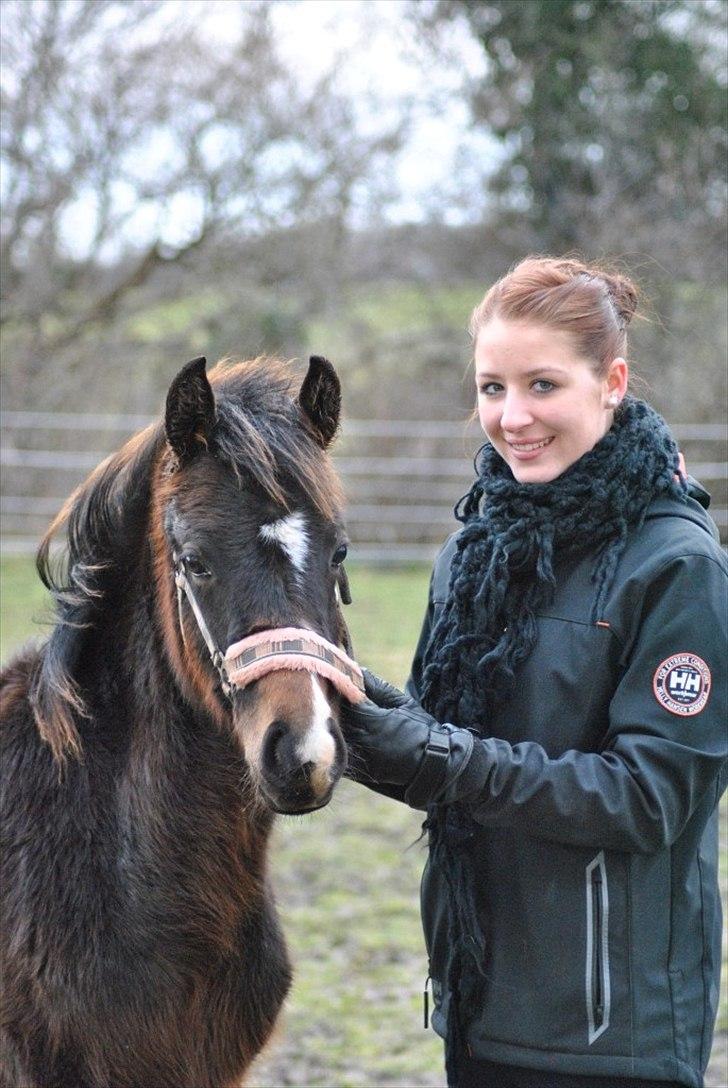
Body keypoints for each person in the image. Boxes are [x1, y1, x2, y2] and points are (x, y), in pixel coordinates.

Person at [341, 257, 727, 1088]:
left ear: (611, 382)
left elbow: (649, 798)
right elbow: (448, 759)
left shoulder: (677, 567)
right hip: (477, 1002)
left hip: (611, 1035)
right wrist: (354, 713)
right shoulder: (473, 556)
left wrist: (439, 756)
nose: (512, 417)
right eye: (492, 388)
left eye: (542, 385)